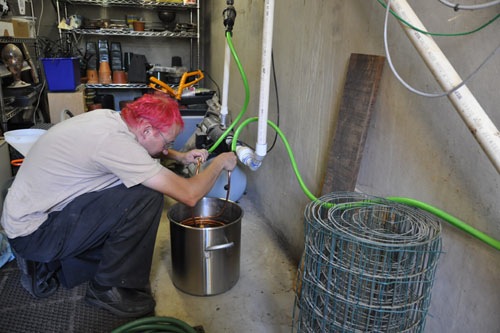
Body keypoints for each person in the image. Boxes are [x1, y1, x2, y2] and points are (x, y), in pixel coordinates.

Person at [0, 92, 237, 317]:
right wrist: (219, 163)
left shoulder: (111, 120)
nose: (167, 148)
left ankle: (61, 264)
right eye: (169, 142)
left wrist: (179, 156)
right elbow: (189, 194)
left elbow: (146, 148)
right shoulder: (115, 144)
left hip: (33, 216)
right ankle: (106, 288)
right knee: (146, 197)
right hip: (35, 234)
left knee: (135, 185)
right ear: (146, 129)